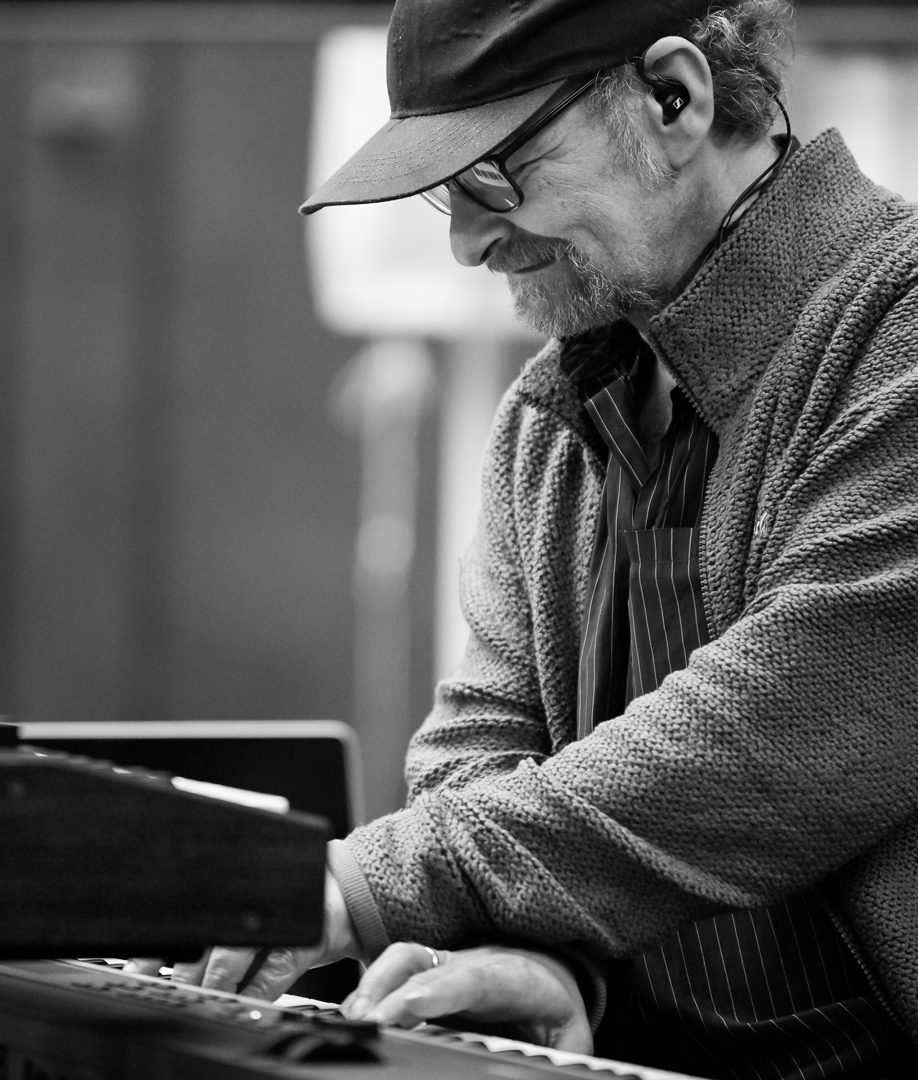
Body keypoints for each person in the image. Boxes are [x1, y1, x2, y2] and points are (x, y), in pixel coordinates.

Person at [173, 1, 918, 1076]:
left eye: (497, 170)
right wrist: (555, 973)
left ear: (676, 96)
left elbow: (786, 730)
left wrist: (356, 885)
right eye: (446, 189)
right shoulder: (546, 417)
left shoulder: (894, 335)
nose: (469, 241)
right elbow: (479, 744)